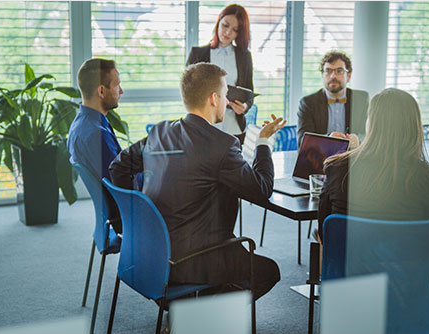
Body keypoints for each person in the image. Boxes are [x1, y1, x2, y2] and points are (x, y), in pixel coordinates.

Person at [109, 62, 284, 300]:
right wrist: (263, 142)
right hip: (196, 259)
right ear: (213, 98)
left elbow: (118, 167)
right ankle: (202, 314)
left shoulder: (159, 132)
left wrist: (137, 219)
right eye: (224, 96)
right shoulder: (223, 146)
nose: (225, 101)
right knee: (269, 271)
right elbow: (262, 189)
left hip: (150, 252)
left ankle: (189, 306)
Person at [317, 88, 429, 242]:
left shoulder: (337, 168)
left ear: (371, 124)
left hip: (351, 265)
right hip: (407, 265)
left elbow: (324, 233)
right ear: (415, 127)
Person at [67, 58, 124, 233]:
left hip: (112, 214)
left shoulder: (81, 124)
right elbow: (122, 184)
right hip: (127, 216)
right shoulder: (96, 135)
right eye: (116, 86)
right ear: (101, 91)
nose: (121, 91)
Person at [186, 4, 254, 146]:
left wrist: (245, 107)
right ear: (219, 22)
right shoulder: (197, 54)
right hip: (203, 129)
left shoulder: (244, 57)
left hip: (234, 128)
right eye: (225, 25)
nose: (227, 32)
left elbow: (249, 92)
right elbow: (188, 92)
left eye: (235, 30)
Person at [297, 50, 369, 148]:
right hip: (321, 158)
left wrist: (358, 140)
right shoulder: (308, 103)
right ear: (322, 75)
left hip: (353, 157)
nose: (333, 76)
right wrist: (328, 140)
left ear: (349, 76)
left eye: (339, 71)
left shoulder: (361, 99)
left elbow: (371, 134)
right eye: (328, 71)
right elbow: (302, 140)